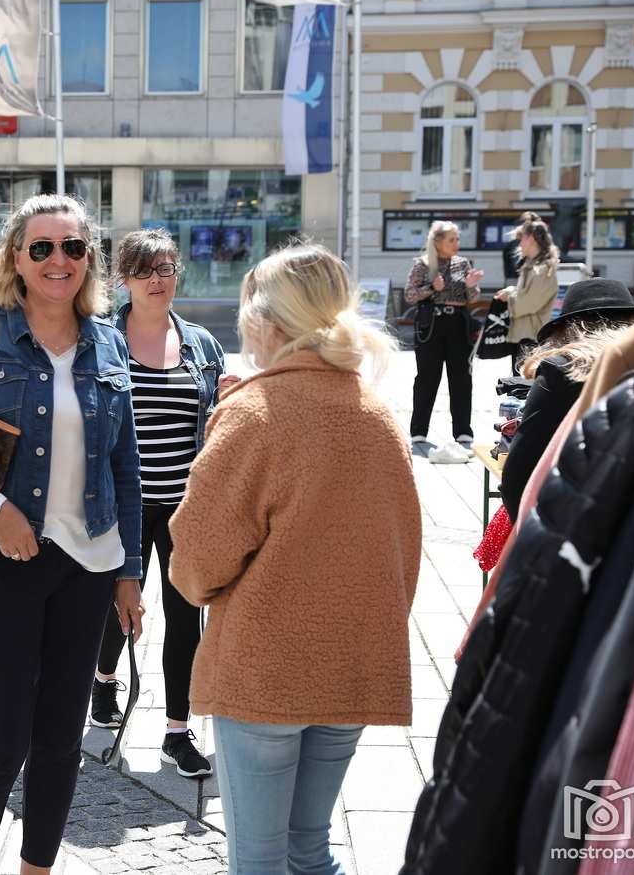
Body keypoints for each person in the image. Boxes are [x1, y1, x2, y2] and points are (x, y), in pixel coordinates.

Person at [0, 194, 143, 875]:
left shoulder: (108, 341)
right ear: (16, 258)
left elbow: (124, 465)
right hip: (1, 562)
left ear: (89, 260)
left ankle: (36, 869)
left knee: (61, 739)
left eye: (73, 247)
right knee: (2, 735)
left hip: (89, 564)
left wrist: (129, 571)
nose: (58, 260)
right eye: (41, 247)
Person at [169, 243, 420, 875]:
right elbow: (402, 552)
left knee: (258, 858)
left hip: (264, 670)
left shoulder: (254, 414)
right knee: (310, 848)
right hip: (353, 664)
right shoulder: (377, 415)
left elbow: (196, 564)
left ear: (267, 323)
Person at [91, 228, 229, 781]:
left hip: (183, 507)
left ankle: (176, 729)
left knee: (184, 616)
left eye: (167, 268)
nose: (157, 280)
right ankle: (103, 680)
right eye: (145, 270)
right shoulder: (100, 340)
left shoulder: (202, 345)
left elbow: (215, 422)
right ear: (124, 279)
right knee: (116, 609)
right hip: (118, 506)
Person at [498, 277, 634, 519]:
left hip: (579, 519)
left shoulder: (560, 370)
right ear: (633, 322)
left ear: (565, 329)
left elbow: (519, 474)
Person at [406, 220, 484, 448]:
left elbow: (473, 298)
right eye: (452, 240)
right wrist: (432, 288)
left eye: (457, 239)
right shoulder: (423, 264)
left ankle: (462, 430)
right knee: (427, 378)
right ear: (438, 242)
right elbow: (409, 295)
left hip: (458, 323)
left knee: (461, 378)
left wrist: (471, 285)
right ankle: (419, 431)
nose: (457, 243)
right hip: (431, 325)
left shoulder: (462, 263)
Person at [495, 216, 559, 374]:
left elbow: (529, 303)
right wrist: (510, 291)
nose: (520, 243)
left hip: (532, 339)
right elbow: (525, 294)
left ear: (531, 239)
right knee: (517, 383)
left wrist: (508, 298)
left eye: (522, 238)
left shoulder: (544, 269)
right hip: (522, 335)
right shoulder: (530, 266)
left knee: (525, 384)